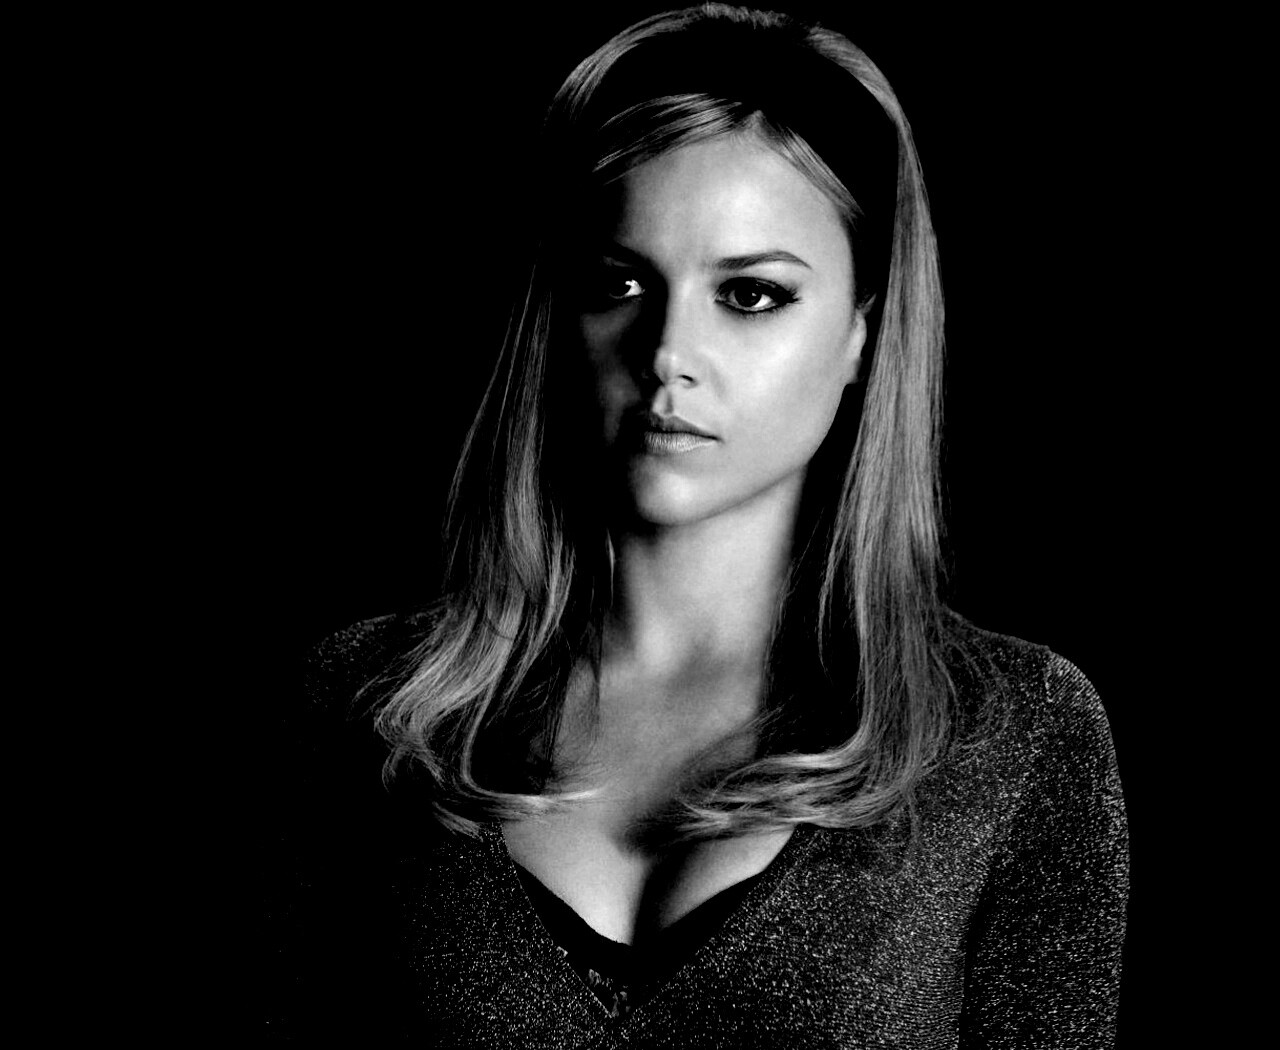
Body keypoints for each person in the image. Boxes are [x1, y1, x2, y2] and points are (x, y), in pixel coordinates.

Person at [268, 5, 1127, 1046]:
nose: (668, 352)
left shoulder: (1012, 733)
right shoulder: (365, 708)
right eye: (618, 282)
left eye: (751, 294)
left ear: (863, 330)